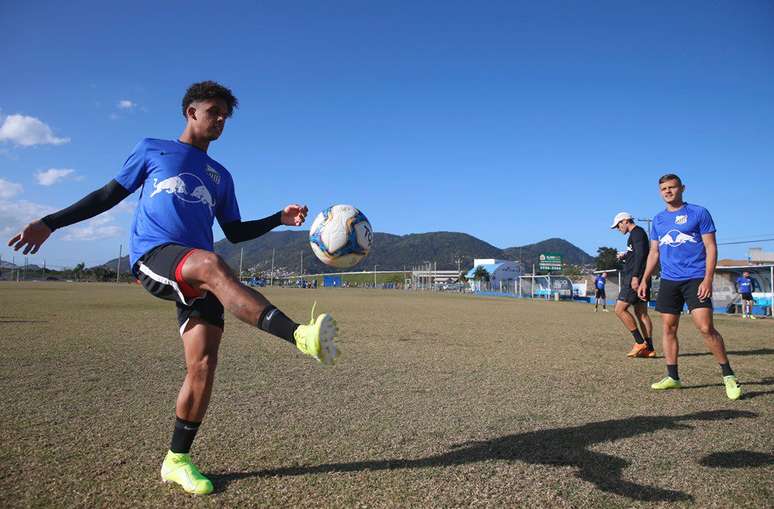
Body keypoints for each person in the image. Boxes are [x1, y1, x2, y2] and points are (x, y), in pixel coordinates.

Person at [7, 81, 340, 495]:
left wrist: (277, 218)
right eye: (214, 111)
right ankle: (300, 336)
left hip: (197, 272)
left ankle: (176, 460)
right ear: (190, 111)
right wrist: (50, 222)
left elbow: (234, 231)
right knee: (213, 263)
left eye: (225, 116)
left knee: (203, 365)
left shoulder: (221, 176)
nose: (220, 120)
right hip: (156, 254)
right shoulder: (152, 149)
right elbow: (108, 194)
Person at [638, 174, 742, 400]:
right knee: (668, 328)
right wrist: (645, 277)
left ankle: (728, 376)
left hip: (695, 278)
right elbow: (654, 252)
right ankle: (673, 377)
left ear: (682, 188)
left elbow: (711, 247)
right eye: (663, 188)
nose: (668, 191)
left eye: (672, 187)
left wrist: (707, 278)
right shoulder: (658, 220)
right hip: (669, 280)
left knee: (705, 328)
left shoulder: (699, 213)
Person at [610, 212, 655, 358]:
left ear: (625, 221)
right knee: (641, 313)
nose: (618, 229)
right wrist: (626, 256)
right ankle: (650, 348)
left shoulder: (636, 233)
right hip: (640, 277)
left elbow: (642, 255)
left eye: (618, 225)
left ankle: (639, 342)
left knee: (619, 309)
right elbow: (637, 254)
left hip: (635, 278)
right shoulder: (636, 234)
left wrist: (635, 277)